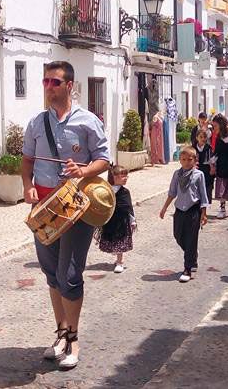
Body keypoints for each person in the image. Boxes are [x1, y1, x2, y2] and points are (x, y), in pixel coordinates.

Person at [21, 61, 110, 369]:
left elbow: (104, 159)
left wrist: (82, 170)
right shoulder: (36, 122)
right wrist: (26, 186)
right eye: (45, 82)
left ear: (70, 85)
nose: (48, 87)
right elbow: (27, 159)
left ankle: (73, 337)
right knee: (51, 274)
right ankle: (60, 332)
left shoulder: (87, 121)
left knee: (69, 274)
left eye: (55, 82)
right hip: (43, 207)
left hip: (75, 206)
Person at [159, 146, 210, 283]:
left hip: (193, 210)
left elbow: (204, 196)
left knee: (191, 239)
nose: (187, 162)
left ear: (195, 160)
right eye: (183, 159)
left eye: (190, 159)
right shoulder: (177, 174)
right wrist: (164, 208)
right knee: (178, 235)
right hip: (179, 211)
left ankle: (187, 268)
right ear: (180, 161)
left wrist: (204, 214)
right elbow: (172, 193)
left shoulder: (199, 175)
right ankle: (192, 255)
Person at [96, 165, 135, 274]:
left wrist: (133, 220)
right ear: (114, 177)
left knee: (121, 240)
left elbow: (128, 207)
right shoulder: (106, 190)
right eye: (123, 176)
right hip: (110, 220)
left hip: (122, 221)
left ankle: (120, 262)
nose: (126, 178)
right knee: (113, 239)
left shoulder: (125, 192)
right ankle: (117, 259)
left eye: (126, 176)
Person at [194, 130, 215, 204]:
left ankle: (205, 209)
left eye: (204, 137)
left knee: (207, 189)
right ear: (197, 138)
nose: (203, 139)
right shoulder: (193, 148)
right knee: (197, 189)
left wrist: (212, 168)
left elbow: (212, 160)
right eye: (201, 137)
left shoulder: (208, 148)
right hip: (196, 170)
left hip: (207, 170)